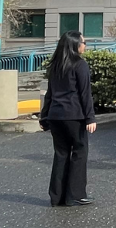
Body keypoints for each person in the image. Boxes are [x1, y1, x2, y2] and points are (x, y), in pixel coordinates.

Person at [40, 30, 96, 207]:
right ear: (75, 45)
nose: (85, 45)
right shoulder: (80, 65)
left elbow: (49, 94)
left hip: (56, 115)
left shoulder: (56, 65)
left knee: (61, 153)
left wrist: (44, 117)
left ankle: (57, 197)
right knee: (79, 152)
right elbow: (85, 93)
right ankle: (76, 194)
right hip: (74, 115)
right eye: (83, 42)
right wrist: (90, 118)